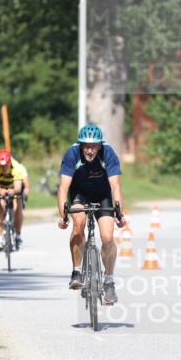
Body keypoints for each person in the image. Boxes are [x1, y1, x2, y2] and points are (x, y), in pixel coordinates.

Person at [57, 124, 126, 305]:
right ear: (80, 145)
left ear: (100, 145)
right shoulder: (72, 154)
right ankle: (77, 271)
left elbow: (116, 186)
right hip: (79, 194)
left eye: (93, 146)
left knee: (108, 237)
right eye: (86, 146)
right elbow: (63, 188)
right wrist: (63, 214)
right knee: (78, 225)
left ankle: (109, 281)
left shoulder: (108, 153)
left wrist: (119, 212)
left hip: (103, 195)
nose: (89, 150)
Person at [0, 148, 28, 250]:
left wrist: (13, 191)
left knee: (17, 207)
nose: (4, 167)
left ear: (10, 161)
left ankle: (18, 236)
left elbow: (18, 187)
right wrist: (0, 191)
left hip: (13, 186)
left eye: (6, 165)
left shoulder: (17, 167)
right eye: (1, 165)